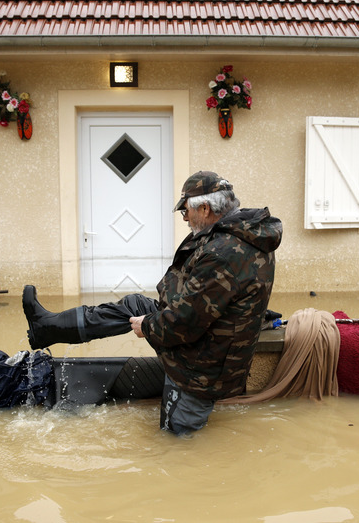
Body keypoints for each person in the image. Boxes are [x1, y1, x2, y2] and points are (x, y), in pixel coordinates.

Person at [23, 171, 282, 434]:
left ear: (204, 208)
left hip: (200, 368)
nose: (184, 218)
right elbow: (227, 297)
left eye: (186, 211)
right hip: (202, 342)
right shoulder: (238, 234)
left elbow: (183, 323)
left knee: (176, 442)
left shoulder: (223, 252)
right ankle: (48, 328)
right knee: (135, 304)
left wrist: (146, 327)